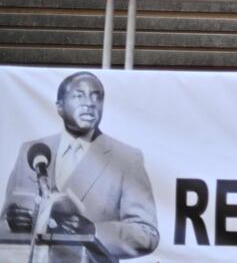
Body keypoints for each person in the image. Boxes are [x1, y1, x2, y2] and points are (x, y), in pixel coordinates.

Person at [1, 72, 159, 260]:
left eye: (96, 96)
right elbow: (4, 221)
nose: (90, 103)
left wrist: (94, 231)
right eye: (78, 95)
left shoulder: (126, 158)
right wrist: (12, 221)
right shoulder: (33, 151)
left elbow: (146, 234)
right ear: (59, 107)